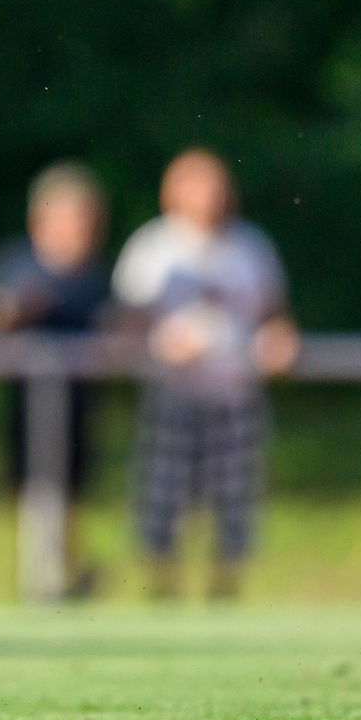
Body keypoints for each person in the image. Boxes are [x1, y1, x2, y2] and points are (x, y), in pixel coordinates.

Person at [112, 149, 299, 599]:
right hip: (174, 394)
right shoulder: (153, 248)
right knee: (162, 499)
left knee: (234, 502)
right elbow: (125, 323)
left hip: (234, 394)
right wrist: (163, 343)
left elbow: (274, 314)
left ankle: (225, 592)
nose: (209, 196)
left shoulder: (250, 247)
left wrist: (280, 341)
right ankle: (162, 590)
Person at [0, 161, 111, 596]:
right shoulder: (16, 262)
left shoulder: (96, 275)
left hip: (80, 403)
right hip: (25, 402)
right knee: (32, 489)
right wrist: (16, 309)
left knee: (72, 490)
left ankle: (64, 574)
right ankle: (45, 577)